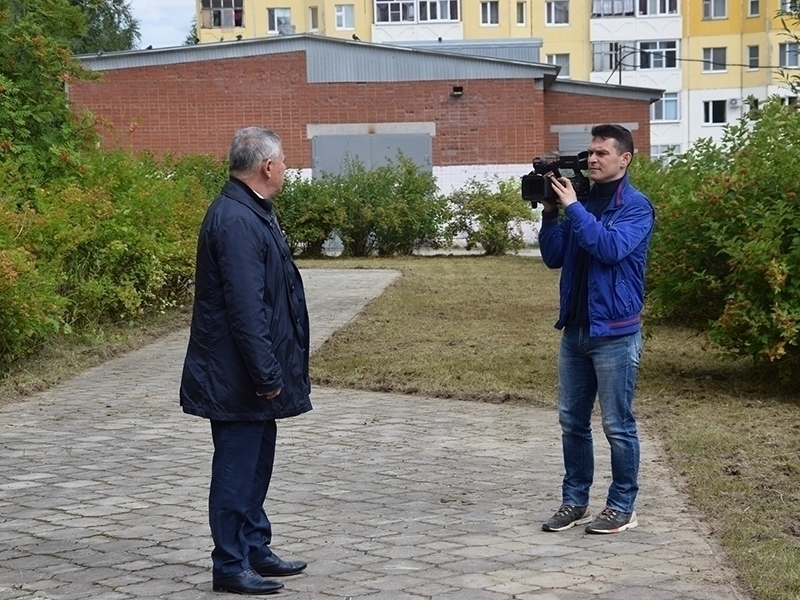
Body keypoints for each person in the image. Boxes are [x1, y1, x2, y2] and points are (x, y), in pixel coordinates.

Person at [180, 127, 312, 594]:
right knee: (237, 471)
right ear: (266, 166)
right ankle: (230, 564)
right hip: (238, 378)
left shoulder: (252, 210)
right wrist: (267, 374)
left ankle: (255, 548)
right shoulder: (236, 219)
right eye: (284, 162)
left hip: (252, 377)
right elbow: (245, 307)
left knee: (256, 466)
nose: (287, 169)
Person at [538, 124, 655, 535]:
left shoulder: (637, 207)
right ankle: (575, 502)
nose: (592, 160)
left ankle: (622, 506)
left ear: (624, 159)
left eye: (602, 153)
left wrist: (572, 208)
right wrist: (551, 212)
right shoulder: (581, 202)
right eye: (590, 152)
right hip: (575, 331)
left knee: (617, 425)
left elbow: (609, 248)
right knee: (572, 421)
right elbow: (555, 256)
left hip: (616, 334)